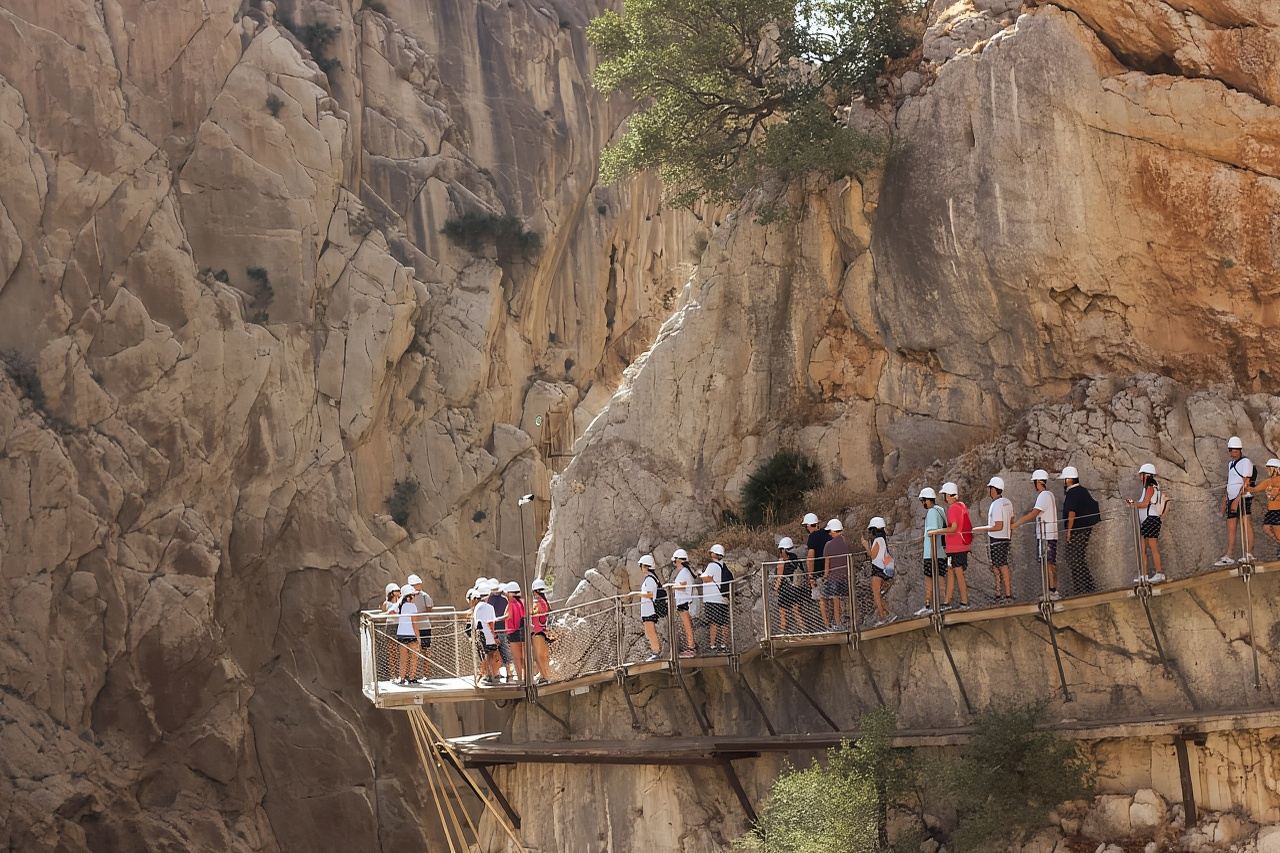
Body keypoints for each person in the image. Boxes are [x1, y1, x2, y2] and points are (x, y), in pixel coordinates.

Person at [1013, 469, 1059, 600]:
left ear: (1039, 482)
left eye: (1034, 482)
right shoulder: (1050, 495)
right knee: (1048, 562)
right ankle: (1051, 590)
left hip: (1046, 536)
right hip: (1049, 535)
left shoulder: (1043, 496)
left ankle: (1052, 591)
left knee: (1048, 563)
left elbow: (1034, 513)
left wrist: (1017, 524)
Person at [973, 476, 1015, 602]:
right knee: (999, 565)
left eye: (990, 488)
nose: (989, 491)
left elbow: (998, 525)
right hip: (1005, 538)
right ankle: (1002, 593)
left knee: (1000, 566)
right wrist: (1009, 535)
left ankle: (1004, 594)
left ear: (993, 489)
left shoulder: (996, 505)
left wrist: (979, 529)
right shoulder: (1007, 502)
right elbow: (1011, 521)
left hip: (997, 539)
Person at [1059, 466, 1099, 595]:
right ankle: (1088, 586)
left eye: (1065, 479)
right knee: (1078, 557)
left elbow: (1072, 512)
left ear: (1069, 479)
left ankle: (1081, 587)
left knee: (1073, 557)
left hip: (1077, 530)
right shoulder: (1082, 491)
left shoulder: (1073, 492)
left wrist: (1069, 531)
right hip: (1084, 529)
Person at [932, 482, 972, 610]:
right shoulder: (961, 506)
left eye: (945, 495)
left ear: (949, 495)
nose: (944, 497)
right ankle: (947, 601)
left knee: (958, 573)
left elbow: (953, 528)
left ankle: (964, 602)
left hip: (956, 547)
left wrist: (937, 531)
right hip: (958, 547)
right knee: (950, 571)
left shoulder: (953, 508)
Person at [1216, 436, 1255, 566]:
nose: (1234, 453)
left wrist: (1237, 499)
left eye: (1236, 450)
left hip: (1242, 498)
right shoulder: (1230, 464)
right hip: (1231, 497)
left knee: (1245, 524)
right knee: (1231, 527)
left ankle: (1249, 553)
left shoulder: (1246, 462)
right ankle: (1229, 555)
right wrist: (1226, 499)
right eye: (1232, 450)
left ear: (1240, 450)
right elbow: (1231, 482)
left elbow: (1246, 482)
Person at [1127, 463, 1167, 583]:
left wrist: (1132, 504)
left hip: (1151, 519)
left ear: (1146, 475)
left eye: (1141, 474)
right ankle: (1144, 575)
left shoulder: (1150, 487)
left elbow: (1145, 503)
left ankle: (1159, 573)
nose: (1140, 476)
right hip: (1147, 521)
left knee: (1153, 547)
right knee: (1143, 548)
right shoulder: (1148, 487)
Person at [917, 488, 948, 616]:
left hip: (931, 552)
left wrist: (932, 553)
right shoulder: (940, 510)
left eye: (922, 501)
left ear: (926, 500)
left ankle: (928, 604)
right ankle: (944, 603)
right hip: (941, 552)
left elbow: (932, 533)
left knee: (928, 579)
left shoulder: (931, 512)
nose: (922, 504)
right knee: (941, 578)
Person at [860, 517, 896, 627]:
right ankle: (889, 614)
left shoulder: (877, 540)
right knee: (878, 595)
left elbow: (872, 555)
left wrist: (866, 545)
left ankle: (883, 617)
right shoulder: (883, 539)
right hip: (883, 569)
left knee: (876, 595)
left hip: (877, 569)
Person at [1247, 459, 1280, 561]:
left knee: (1278, 534)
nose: (1267, 470)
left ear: (1275, 469)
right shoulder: (1267, 481)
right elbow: (1255, 489)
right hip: (1271, 511)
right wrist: (1246, 487)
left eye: (1269, 468)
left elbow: (1274, 494)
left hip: (1278, 510)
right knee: (1266, 529)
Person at [803, 512, 832, 629]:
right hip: (831, 570)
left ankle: (827, 624)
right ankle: (836, 622)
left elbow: (810, 558)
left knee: (822, 599)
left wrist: (810, 577)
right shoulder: (827, 534)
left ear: (809, 525)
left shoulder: (812, 537)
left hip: (819, 573)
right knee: (832, 598)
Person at [773, 537, 807, 634]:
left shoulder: (781, 561)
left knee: (783, 614)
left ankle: (783, 633)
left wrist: (775, 589)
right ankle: (804, 631)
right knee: (797, 612)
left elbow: (780, 577)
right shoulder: (795, 558)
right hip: (796, 589)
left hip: (785, 590)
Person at [822, 518, 851, 630]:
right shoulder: (845, 543)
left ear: (833, 531)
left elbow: (827, 562)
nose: (829, 533)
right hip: (844, 576)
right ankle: (846, 622)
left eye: (830, 531)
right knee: (844, 600)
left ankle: (838, 624)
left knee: (835, 601)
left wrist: (825, 576)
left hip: (833, 577)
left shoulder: (828, 545)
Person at [701, 544, 730, 653]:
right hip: (722, 598)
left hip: (712, 599)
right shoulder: (723, 565)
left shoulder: (712, 565)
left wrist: (700, 574)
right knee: (723, 622)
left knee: (713, 622)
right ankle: (724, 645)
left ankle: (712, 645)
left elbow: (707, 578)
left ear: (713, 554)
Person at [669, 549, 698, 657]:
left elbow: (683, 585)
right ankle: (692, 646)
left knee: (687, 626)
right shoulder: (685, 572)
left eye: (675, 561)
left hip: (684, 603)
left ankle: (691, 648)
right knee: (687, 625)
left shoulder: (684, 572)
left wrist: (671, 586)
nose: (674, 564)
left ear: (680, 561)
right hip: (683, 602)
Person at [637, 555, 664, 661]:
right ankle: (655, 651)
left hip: (649, 609)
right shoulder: (650, 578)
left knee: (651, 631)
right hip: (647, 609)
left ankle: (656, 652)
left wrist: (638, 594)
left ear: (646, 566)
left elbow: (650, 594)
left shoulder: (650, 579)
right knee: (649, 631)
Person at [473, 583, 500, 684]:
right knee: (490, 655)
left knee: (485, 656)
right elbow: (490, 623)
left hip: (479, 634)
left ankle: (487, 674)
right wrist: (495, 636)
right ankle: (490, 674)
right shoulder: (488, 607)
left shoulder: (477, 607)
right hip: (488, 635)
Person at [407, 574, 433, 679]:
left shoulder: (424, 596)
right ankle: (413, 675)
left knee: (426, 650)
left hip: (424, 626)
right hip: (413, 627)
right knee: (413, 651)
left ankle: (426, 674)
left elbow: (429, 609)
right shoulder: (408, 597)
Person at [394, 583, 421, 685]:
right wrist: (418, 637)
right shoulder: (412, 607)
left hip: (401, 634)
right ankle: (412, 677)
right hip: (411, 634)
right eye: (413, 595)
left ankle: (402, 678)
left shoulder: (400, 605)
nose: (414, 597)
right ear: (409, 596)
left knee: (403, 658)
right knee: (414, 657)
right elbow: (414, 623)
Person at [488, 579, 512, 680]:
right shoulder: (504, 599)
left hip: (493, 630)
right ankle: (509, 671)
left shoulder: (489, 601)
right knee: (505, 651)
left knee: (494, 653)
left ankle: (495, 672)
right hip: (503, 628)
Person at [529, 578, 553, 681]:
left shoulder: (538, 603)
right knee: (544, 656)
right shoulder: (545, 602)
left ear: (535, 591)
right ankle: (545, 675)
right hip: (543, 631)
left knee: (539, 657)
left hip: (537, 631)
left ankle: (545, 677)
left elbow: (533, 613)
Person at [504, 582, 527, 684]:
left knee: (517, 658)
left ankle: (520, 678)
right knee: (525, 656)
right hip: (524, 631)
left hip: (513, 633)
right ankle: (527, 677)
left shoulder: (511, 604)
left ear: (510, 593)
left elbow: (507, 616)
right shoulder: (523, 602)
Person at [383, 582, 401, 679]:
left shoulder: (401, 602)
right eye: (396, 591)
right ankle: (393, 674)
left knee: (399, 651)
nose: (398, 592)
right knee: (392, 651)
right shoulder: (387, 603)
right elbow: (385, 611)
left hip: (399, 626)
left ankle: (399, 673)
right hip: (391, 626)